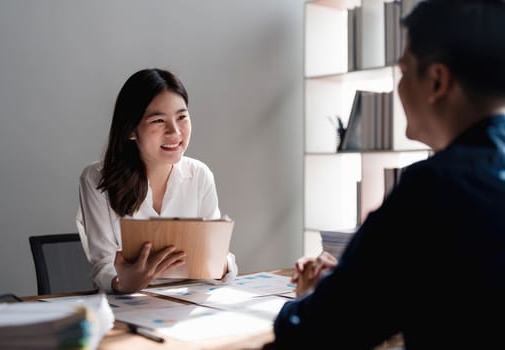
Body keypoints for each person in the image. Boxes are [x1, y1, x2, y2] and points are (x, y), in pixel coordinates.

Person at [273, 0, 505, 348]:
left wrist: (306, 298)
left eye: (403, 70)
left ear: (437, 81)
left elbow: (317, 331)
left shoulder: (432, 190)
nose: (399, 87)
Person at [76, 68, 237, 294]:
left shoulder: (200, 175)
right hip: (127, 308)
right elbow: (103, 265)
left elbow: (218, 263)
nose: (175, 132)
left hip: (189, 306)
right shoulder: (96, 179)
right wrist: (123, 284)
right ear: (131, 130)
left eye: (182, 117)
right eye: (159, 120)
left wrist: (219, 264)